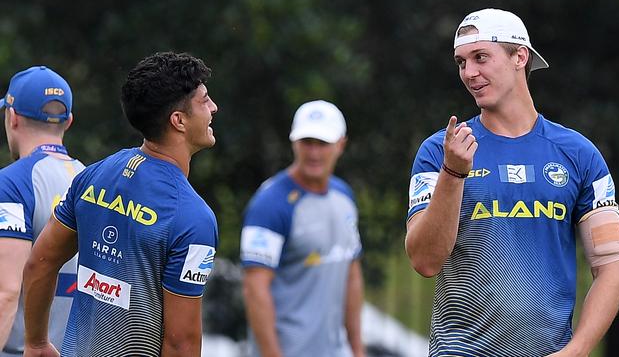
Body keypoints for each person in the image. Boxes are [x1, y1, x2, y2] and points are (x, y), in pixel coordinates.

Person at [405, 8, 619, 357]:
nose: (469, 73)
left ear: (519, 57)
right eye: (461, 62)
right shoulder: (441, 151)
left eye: (480, 57)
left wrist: (578, 350)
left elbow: (612, 267)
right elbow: (424, 261)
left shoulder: (579, 154)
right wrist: (453, 173)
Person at [22, 52, 219, 357]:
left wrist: (35, 343)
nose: (213, 108)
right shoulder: (193, 218)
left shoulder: (94, 175)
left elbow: (40, 263)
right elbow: (181, 343)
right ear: (178, 121)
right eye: (204, 101)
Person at [240, 100, 365, 357]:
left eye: (323, 143)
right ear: (293, 142)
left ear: (341, 144)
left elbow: (351, 275)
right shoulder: (270, 203)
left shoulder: (344, 196)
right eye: (307, 142)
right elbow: (255, 289)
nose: (314, 153)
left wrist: (357, 350)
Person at [0, 66, 85, 357]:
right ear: (69, 121)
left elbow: (6, 291)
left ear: (12, 118)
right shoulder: (92, 182)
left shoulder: (11, 183)